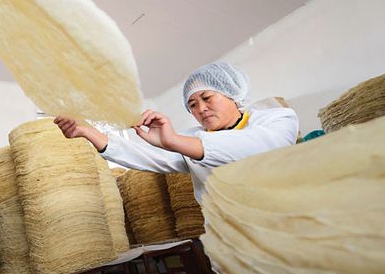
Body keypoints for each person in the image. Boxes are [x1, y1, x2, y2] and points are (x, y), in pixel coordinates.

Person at [54, 61, 299, 204]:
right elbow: (140, 154)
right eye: (192, 105)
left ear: (232, 95)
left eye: (206, 97)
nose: (201, 108)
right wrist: (87, 132)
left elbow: (261, 147)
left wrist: (174, 141)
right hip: (234, 240)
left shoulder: (276, 118)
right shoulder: (188, 141)